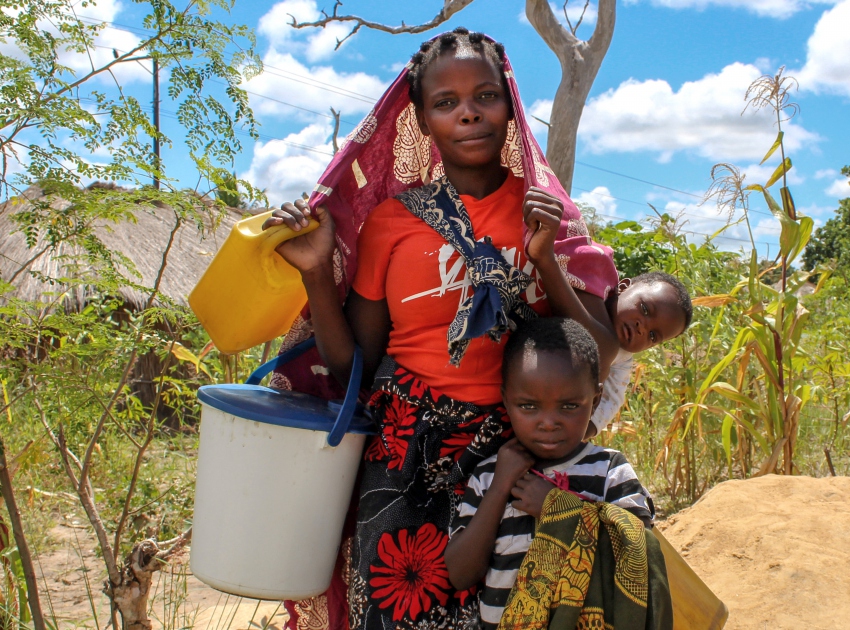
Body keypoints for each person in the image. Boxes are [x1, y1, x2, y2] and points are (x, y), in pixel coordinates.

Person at [263, 28, 619, 630]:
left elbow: (599, 355)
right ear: (422, 121)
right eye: (446, 102)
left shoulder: (544, 214)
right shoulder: (390, 223)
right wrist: (318, 277)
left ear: (509, 106)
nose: (469, 113)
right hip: (405, 450)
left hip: (518, 448)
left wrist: (545, 259)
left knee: (517, 612)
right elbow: (354, 368)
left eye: (485, 95)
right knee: (393, 612)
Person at [444, 317, 655, 629]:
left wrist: (557, 508)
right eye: (528, 407)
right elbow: (461, 574)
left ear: (595, 400)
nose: (548, 422)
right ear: (506, 400)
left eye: (569, 407)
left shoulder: (610, 470)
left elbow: (639, 556)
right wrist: (501, 487)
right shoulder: (489, 476)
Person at [521, 196, 694, 433]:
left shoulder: (620, 359)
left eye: (653, 335)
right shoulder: (594, 279)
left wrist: (585, 431)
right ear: (622, 287)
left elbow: (612, 400)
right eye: (644, 309)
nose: (642, 328)